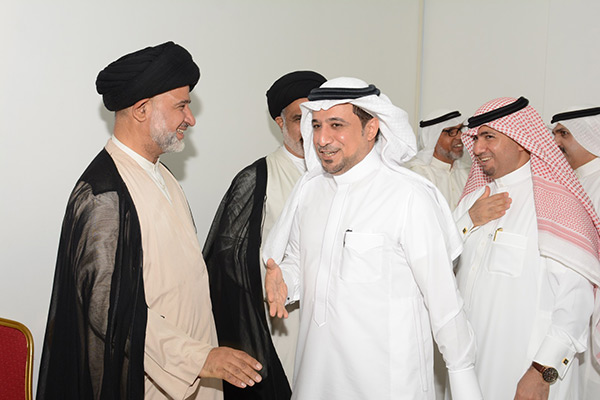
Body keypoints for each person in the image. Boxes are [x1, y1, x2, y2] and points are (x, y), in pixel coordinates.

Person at [37, 41, 262, 400]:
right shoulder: (104, 194)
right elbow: (108, 308)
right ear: (142, 109)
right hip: (148, 383)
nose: (190, 118)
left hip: (194, 375)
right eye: (181, 106)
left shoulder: (163, 176)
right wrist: (198, 358)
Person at [263, 77, 483, 399]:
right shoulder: (309, 191)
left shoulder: (408, 196)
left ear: (371, 128)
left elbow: (444, 301)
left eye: (336, 125)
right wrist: (286, 280)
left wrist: (463, 380)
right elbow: (299, 259)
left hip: (387, 382)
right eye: (317, 125)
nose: (322, 138)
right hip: (316, 377)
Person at [453, 97, 600, 399]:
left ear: (522, 141)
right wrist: (468, 221)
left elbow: (575, 302)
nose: (477, 148)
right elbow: (437, 267)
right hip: (467, 368)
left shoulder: (558, 206)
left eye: (489, 137)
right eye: (476, 138)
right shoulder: (471, 202)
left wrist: (542, 370)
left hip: (527, 372)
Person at [203, 70, 326, 399]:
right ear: (280, 122)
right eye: (299, 118)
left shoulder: (341, 178)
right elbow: (227, 265)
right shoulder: (258, 178)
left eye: (316, 119)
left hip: (332, 324)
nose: (309, 129)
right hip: (282, 325)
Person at [551, 106, 600, 399]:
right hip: (572, 315)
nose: (555, 142)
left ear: (590, 135)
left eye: (564, 134)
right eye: (554, 133)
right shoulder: (573, 182)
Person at [405, 110, 470, 209]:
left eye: (460, 130)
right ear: (433, 137)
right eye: (451, 132)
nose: (459, 136)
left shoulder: (468, 172)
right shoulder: (419, 174)